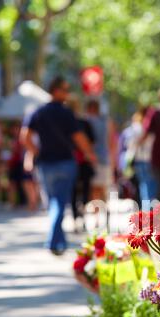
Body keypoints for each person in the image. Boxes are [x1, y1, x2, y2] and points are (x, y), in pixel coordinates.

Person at [21, 76, 97, 255]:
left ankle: (58, 240)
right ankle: (54, 241)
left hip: (46, 164)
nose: (67, 93)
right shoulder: (65, 113)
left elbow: (25, 137)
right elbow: (79, 138)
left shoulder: (38, 112)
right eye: (65, 89)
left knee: (53, 202)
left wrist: (36, 152)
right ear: (55, 90)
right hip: (64, 163)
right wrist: (89, 154)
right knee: (59, 203)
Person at [67, 94, 95, 230]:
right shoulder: (83, 122)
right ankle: (80, 216)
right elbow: (91, 141)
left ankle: (76, 218)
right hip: (81, 160)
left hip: (72, 161)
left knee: (73, 191)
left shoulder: (67, 123)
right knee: (84, 190)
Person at [85, 99, 113, 201]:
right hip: (104, 157)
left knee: (94, 188)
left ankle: (96, 212)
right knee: (103, 187)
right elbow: (111, 142)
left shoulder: (86, 121)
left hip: (91, 158)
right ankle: (103, 209)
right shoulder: (106, 122)